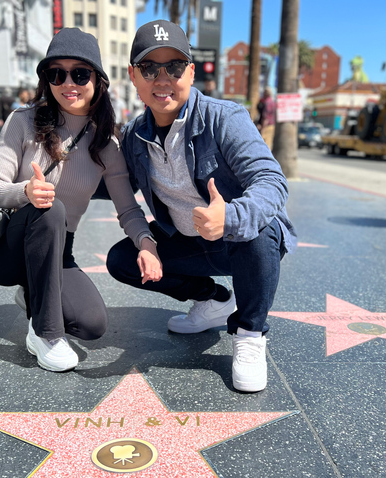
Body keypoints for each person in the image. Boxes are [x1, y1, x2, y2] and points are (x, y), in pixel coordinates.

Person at [106, 20, 296, 393]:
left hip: (236, 243)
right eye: (149, 68)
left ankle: (250, 333)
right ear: (133, 76)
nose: (163, 79)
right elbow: (111, 187)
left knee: (260, 228)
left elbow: (272, 181)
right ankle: (214, 300)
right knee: (122, 260)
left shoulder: (224, 118)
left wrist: (231, 217)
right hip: (187, 242)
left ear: (191, 72)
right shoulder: (132, 136)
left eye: (174, 67)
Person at [0, 27, 161, 372]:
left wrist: (146, 244)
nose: (68, 83)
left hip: (59, 249)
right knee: (49, 207)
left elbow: (128, 207)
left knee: (92, 324)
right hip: (9, 246)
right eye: (56, 73)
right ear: (47, 80)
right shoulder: (23, 120)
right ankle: (44, 333)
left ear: (98, 80)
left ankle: (34, 293)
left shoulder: (105, 141)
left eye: (80, 73)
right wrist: (25, 191)